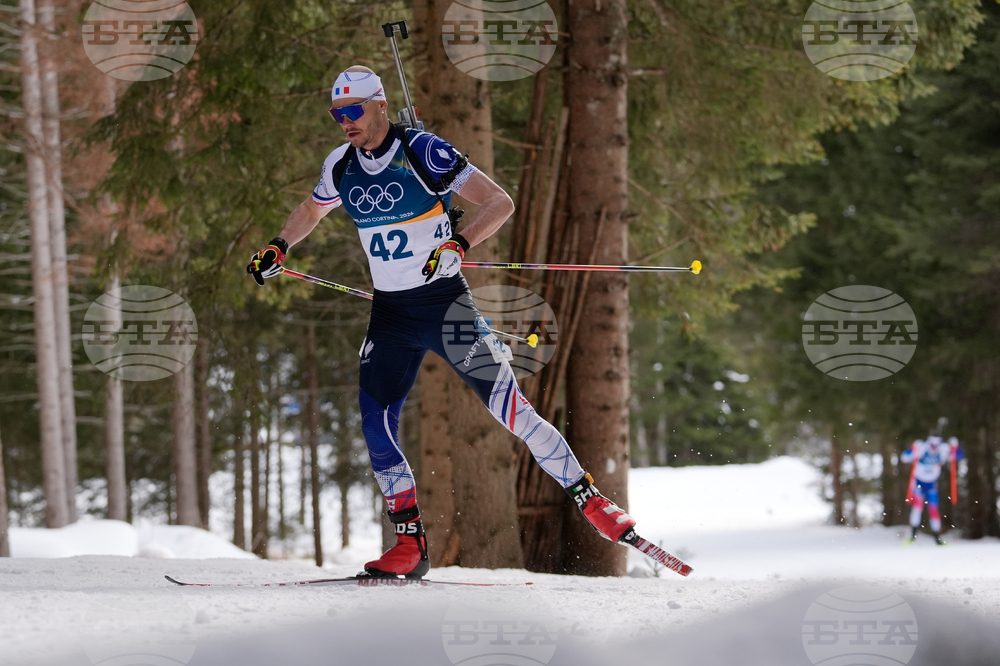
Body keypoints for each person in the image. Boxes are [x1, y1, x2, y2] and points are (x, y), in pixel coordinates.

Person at [247, 66, 635, 578]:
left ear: (381, 105)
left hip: (444, 306)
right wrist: (280, 244)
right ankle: (409, 545)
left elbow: (500, 202)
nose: (345, 122)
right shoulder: (340, 165)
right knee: (376, 422)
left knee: (509, 409)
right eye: (337, 114)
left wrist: (460, 241)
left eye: (354, 110)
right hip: (390, 315)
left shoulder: (424, 150)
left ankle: (592, 501)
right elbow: (311, 209)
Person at [901, 433, 963, 545]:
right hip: (919, 483)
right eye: (932, 445)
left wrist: (956, 447)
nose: (934, 448)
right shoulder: (922, 448)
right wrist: (912, 448)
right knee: (917, 508)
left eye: (936, 445)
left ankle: (937, 538)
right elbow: (904, 457)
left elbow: (958, 456)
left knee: (933, 510)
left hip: (931, 484)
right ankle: (912, 536)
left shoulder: (943, 450)